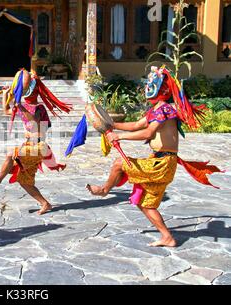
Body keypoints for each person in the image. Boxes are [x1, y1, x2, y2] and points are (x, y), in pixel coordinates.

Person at [87, 66, 222, 247]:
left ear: (161, 89)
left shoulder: (164, 109)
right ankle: (167, 237)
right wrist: (111, 124)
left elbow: (148, 133)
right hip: (161, 162)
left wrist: (118, 136)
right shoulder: (156, 110)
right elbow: (136, 125)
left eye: (151, 84)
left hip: (162, 163)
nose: (147, 88)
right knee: (145, 204)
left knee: (119, 163)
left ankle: (104, 191)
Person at [0, 69, 72, 215]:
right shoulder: (23, 107)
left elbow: (36, 125)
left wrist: (19, 104)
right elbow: (7, 110)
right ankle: (45, 203)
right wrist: (5, 95)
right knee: (24, 181)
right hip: (29, 146)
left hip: (39, 147)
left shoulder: (39, 108)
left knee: (10, 154)